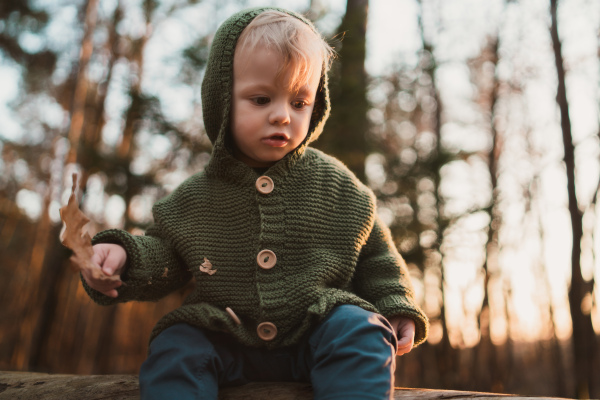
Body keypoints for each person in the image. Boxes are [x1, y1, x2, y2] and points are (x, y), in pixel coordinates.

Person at [82, 7, 429, 400]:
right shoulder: (194, 199)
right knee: (177, 343)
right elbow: (163, 256)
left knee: (361, 327)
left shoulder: (337, 185)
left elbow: (376, 256)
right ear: (222, 100)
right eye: (261, 99)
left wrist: (396, 305)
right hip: (225, 335)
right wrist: (123, 258)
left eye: (299, 103)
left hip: (317, 331)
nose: (282, 116)